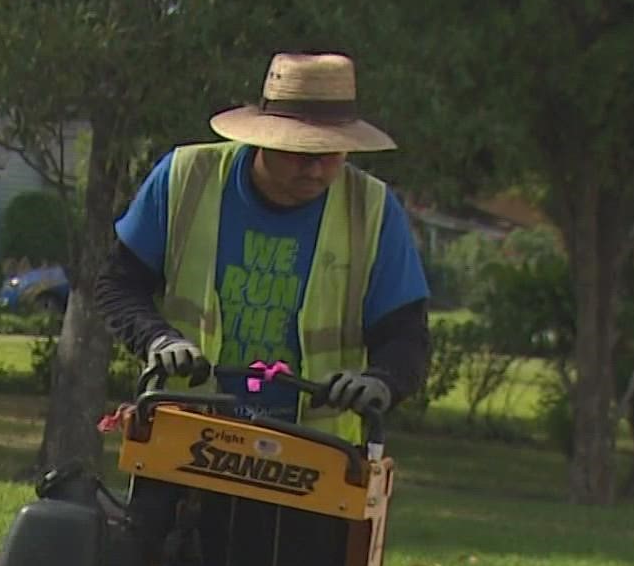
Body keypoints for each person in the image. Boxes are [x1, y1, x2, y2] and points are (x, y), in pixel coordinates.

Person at [96, 52, 431, 443]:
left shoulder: (372, 209)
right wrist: (157, 338)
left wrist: (383, 381)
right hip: (187, 433)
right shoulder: (186, 178)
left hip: (313, 449)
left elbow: (407, 335)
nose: (315, 169)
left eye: (330, 153)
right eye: (300, 153)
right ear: (263, 138)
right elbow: (118, 285)